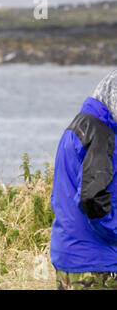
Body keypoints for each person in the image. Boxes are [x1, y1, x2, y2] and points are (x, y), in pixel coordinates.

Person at [50, 70, 117, 290]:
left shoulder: (79, 126)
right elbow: (93, 200)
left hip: (73, 257)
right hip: (97, 265)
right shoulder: (102, 135)